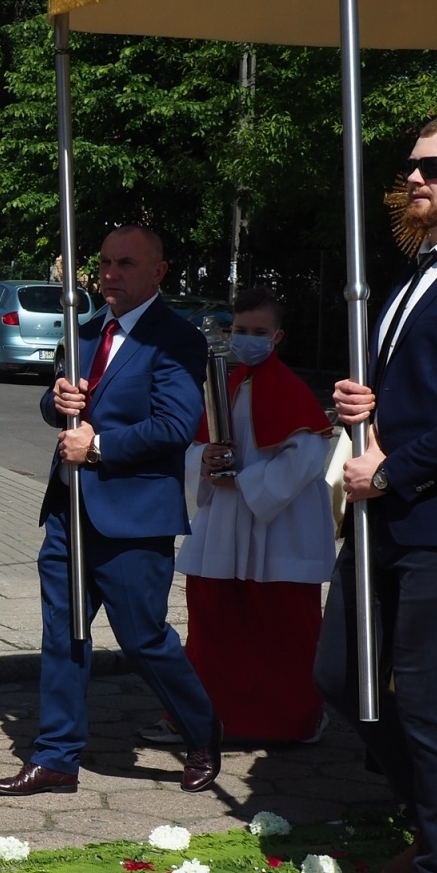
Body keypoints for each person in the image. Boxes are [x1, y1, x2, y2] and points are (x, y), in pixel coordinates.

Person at [316, 114, 437, 873]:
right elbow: (419, 393)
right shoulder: (415, 272)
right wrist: (364, 406)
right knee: (342, 676)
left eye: (434, 164)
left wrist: (392, 467)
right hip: (385, 515)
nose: (414, 178)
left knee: (423, 694)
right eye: (411, 165)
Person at [0, 225, 222, 797]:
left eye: (125, 264)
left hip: (133, 514)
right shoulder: (85, 331)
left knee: (142, 637)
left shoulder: (176, 338)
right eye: (104, 263)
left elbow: (173, 426)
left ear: (158, 272)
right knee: (62, 634)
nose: (110, 274)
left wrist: (98, 447)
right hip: (69, 510)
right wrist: (57, 400)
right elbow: (57, 401)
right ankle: (56, 757)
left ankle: (203, 730)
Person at [151, 288, 335, 744]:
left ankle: (292, 723)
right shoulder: (222, 386)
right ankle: (200, 720)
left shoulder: (292, 391)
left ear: (277, 337)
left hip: (278, 533)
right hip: (223, 528)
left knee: (285, 634)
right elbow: (195, 447)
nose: (247, 340)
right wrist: (207, 463)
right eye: (240, 331)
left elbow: (308, 459)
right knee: (215, 629)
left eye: (258, 332)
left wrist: (246, 481)